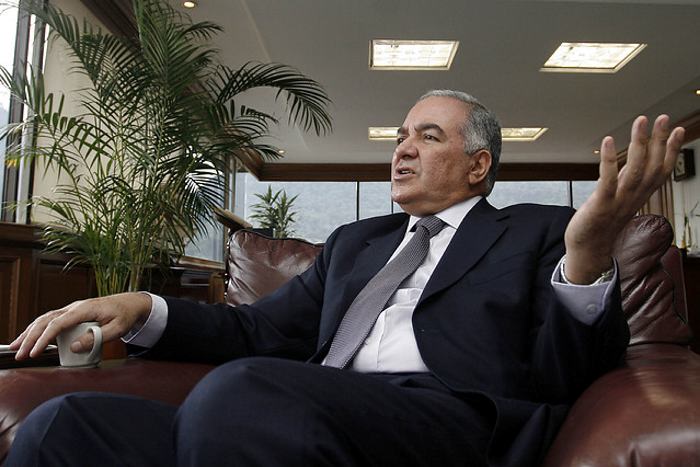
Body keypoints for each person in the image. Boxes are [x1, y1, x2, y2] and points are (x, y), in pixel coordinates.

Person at [7, 90, 685, 466]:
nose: (402, 151)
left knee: (242, 393)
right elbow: (255, 330)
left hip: (448, 419)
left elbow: (565, 374)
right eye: (400, 137)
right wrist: (143, 306)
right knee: (67, 423)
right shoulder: (356, 243)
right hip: (304, 413)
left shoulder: (541, 230)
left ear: (478, 165)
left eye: (428, 137)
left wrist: (587, 257)